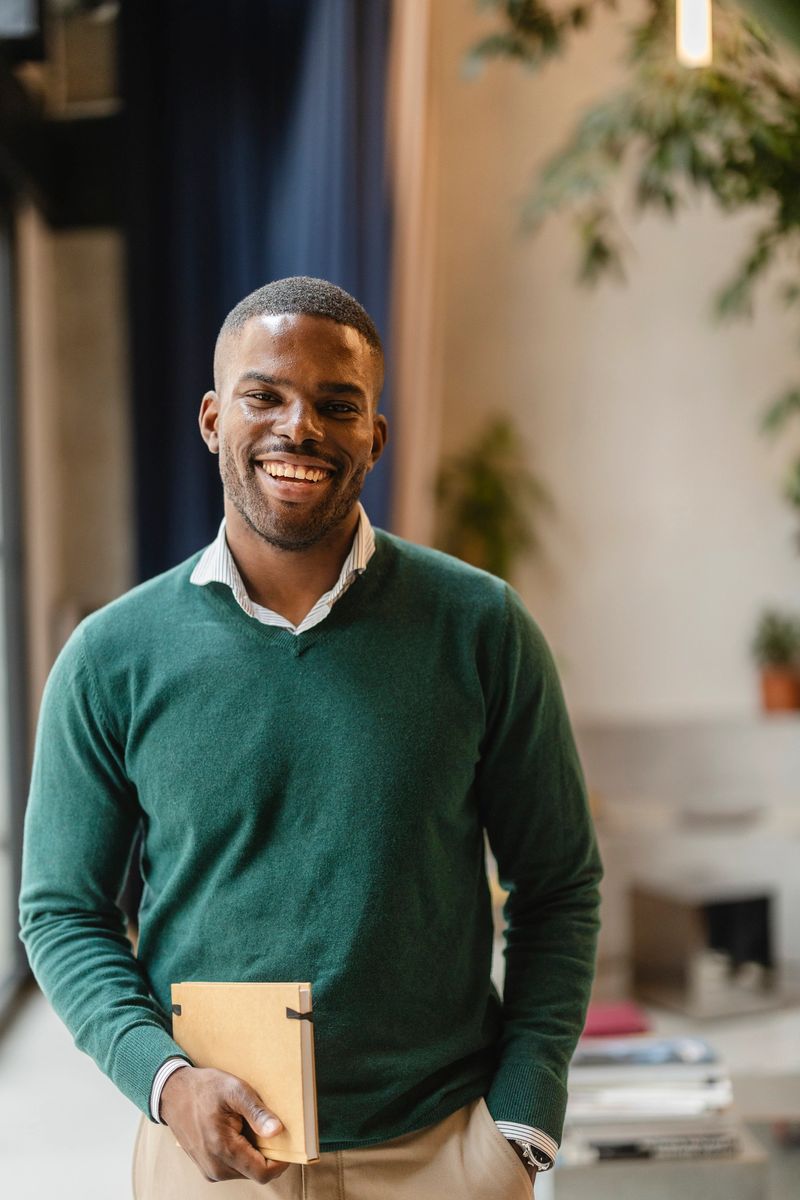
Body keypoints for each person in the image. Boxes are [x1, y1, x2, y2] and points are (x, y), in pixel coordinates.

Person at [19, 277, 602, 1198]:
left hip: (440, 1153)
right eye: (265, 396)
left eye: (339, 405)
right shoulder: (110, 657)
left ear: (375, 434)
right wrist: (165, 1086)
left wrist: (523, 1120)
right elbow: (62, 913)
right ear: (215, 419)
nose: (301, 428)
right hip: (208, 1157)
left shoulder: (481, 627)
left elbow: (559, 884)